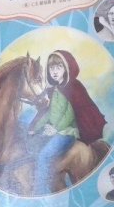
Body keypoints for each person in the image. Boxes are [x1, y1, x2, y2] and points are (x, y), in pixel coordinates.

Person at [27, 50, 106, 195]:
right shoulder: (54, 90)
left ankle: (39, 192)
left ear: (66, 68)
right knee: (31, 148)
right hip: (55, 130)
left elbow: (69, 115)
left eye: (59, 67)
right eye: (52, 68)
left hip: (66, 133)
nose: (55, 71)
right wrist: (34, 128)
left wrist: (55, 129)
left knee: (44, 156)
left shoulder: (73, 88)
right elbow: (49, 113)